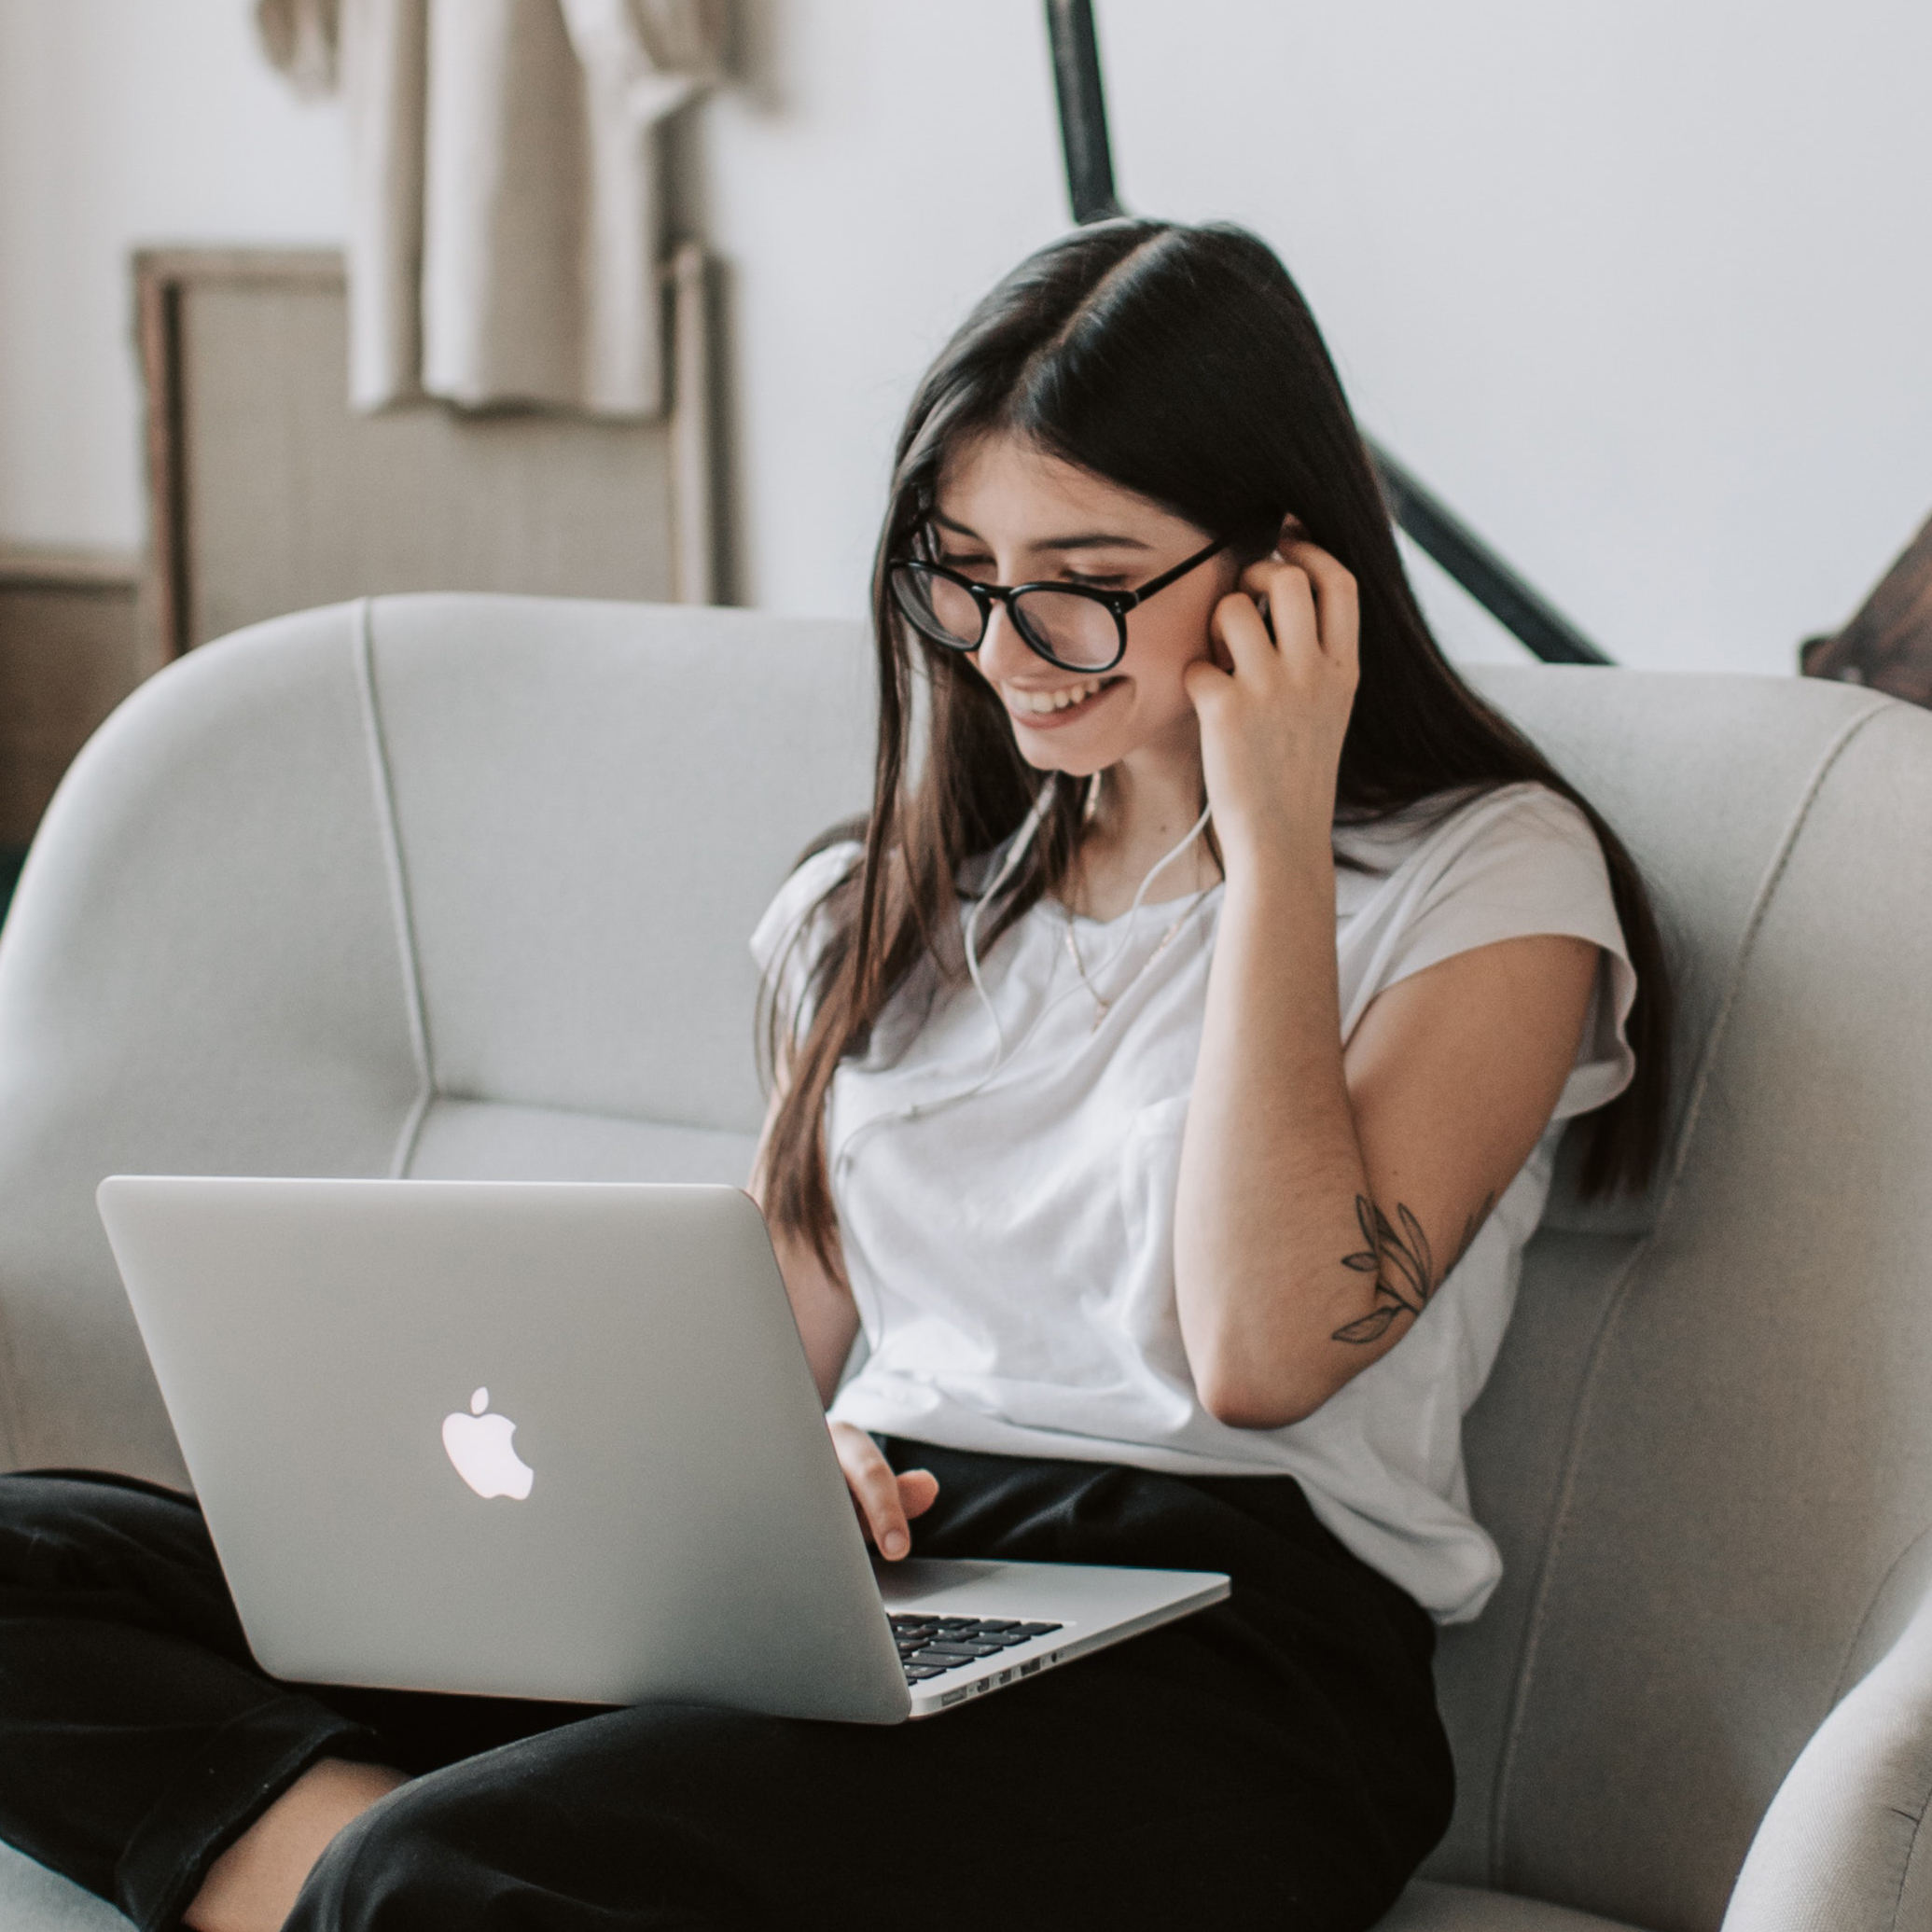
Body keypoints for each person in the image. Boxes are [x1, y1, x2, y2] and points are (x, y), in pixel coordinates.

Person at [0, 219, 1670, 1932]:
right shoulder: (877, 911)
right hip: (870, 1576)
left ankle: (408, 1881)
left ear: (1284, 577)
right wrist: (774, 1480)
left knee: (432, 1869)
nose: (1009, 649)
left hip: (1228, 1658)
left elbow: (1261, 1348)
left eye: (1084, 583)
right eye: (963, 572)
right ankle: (374, 1884)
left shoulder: (1489, 881)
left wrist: (1276, 831)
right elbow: (752, 1349)